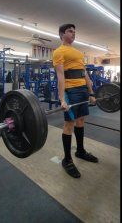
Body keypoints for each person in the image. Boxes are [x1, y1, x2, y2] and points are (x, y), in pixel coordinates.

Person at [53, 23, 98, 178]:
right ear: (61, 34)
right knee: (69, 124)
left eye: (74, 31)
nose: (73, 33)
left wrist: (91, 92)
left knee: (80, 121)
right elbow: (60, 76)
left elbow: (85, 74)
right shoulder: (59, 51)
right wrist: (61, 99)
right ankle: (67, 159)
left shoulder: (78, 53)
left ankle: (80, 151)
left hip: (82, 91)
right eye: (70, 31)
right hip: (70, 91)